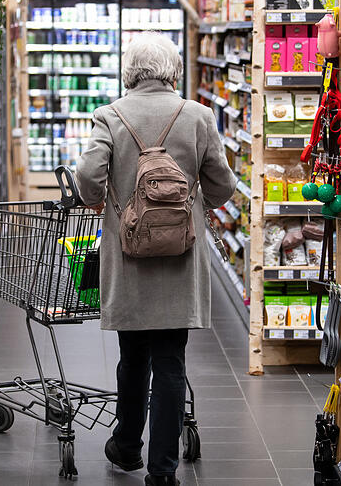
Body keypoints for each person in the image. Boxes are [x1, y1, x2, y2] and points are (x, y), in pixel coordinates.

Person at [75, 32, 236, 486]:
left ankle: (127, 448)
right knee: (171, 361)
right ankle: (162, 473)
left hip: (128, 260)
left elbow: (89, 178)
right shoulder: (199, 116)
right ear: (173, 70)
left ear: (129, 71)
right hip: (181, 258)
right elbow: (223, 187)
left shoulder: (110, 115)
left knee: (132, 356)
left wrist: (103, 198)